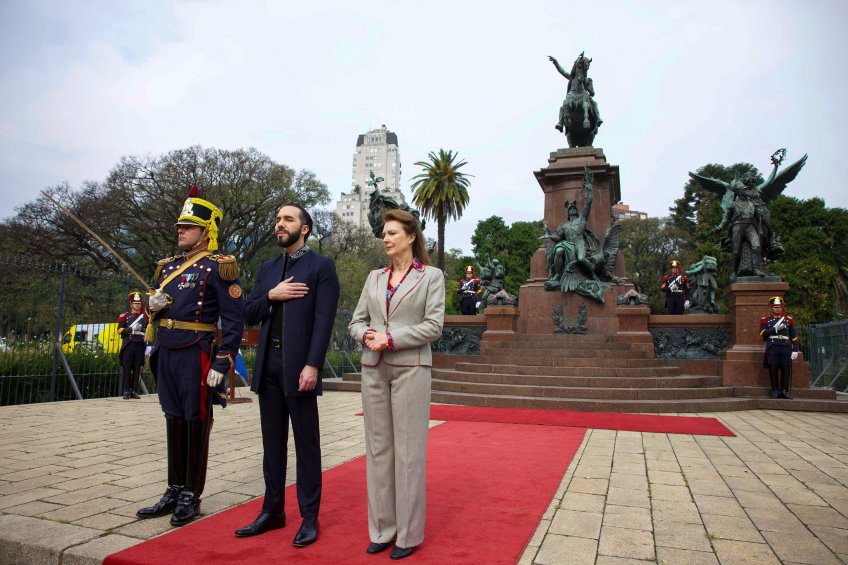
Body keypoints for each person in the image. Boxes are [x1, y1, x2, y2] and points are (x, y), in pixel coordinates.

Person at [136, 186, 244, 527]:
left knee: (196, 420)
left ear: (205, 232)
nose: (180, 231)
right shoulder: (166, 268)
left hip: (197, 351)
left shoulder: (218, 267)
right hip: (166, 350)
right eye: (180, 226)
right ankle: (173, 487)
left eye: (188, 227)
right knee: (173, 418)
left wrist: (223, 361)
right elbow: (159, 313)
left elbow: (234, 318)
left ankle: (190, 495)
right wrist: (153, 310)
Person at [236, 203, 340, 547]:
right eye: (278, 219)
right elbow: (248, 312)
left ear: (305, 228)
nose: (280, 224)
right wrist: (271, 294)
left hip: (300, 368)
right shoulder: (267, 268)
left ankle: (309, 517)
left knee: (307, 445)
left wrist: (313, 365)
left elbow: (324, 321)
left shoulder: (321, 266)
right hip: (268, 365)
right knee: (272, 443)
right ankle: (273, 511)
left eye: (288, 219)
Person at [348, 208, 445, 560]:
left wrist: (389, 338)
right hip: (373, 368)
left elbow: (434, 326)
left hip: (411, 368)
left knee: (408, 453)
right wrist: (367, 334)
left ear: (411, 236)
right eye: (383, 234)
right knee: (378, 451)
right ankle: (382, 529)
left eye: (391, 233)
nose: (385, 239)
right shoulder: (374, 277)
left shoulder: (431, 277)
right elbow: (356, 321)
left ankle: (407, 534)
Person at [759, 296, 799, 399]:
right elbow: (763, 333)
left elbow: (793, 336)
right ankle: (775, 390)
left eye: (779, 307)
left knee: (786, 368)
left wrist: (795, 350)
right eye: (775, 307)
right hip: (773, 346)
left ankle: (784, 391)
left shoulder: (788, 320)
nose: (778, 309)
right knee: (773, 368)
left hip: (785, 346)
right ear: (771, 308)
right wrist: (774, 329)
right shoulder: (765, 320)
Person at [117, 290, 149, 399]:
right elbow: (119, 330)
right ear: (131, 304)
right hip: (129, 343)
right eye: (135, 303)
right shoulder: (125, 316)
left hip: (140, 343)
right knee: (127, 367)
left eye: (139, 303)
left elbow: (148, 331)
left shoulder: (145, 317)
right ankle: (126, 391)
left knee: (137, 368)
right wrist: (129, 329)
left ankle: (134, 391)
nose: (137, 305)